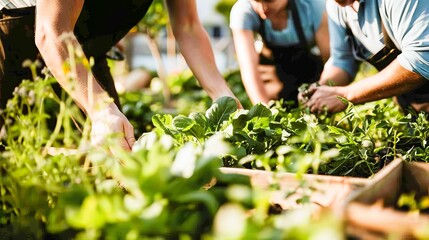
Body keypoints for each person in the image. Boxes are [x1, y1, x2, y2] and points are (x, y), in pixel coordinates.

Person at [1, 0, 241, 153]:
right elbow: (51, 32)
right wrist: (100, 109)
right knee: (9, 156)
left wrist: (223, 95)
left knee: (116, 155)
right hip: (16, 36)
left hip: (84, 51)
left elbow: (187, 26)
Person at [303, 0, 429, 114]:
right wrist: (318, 91)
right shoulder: (335, 6)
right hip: (411, 104)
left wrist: (346, 94)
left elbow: (421, 58)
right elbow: (342, 60)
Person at [229, 0, 330, 106]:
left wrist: (320, 95)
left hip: (309, 72)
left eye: (270, 1)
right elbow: (249, 70)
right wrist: (265, 110)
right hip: (274, 75)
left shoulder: (313, 6)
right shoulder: (243, 12)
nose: (262, 7)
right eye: (256, 1)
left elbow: (329, 59)